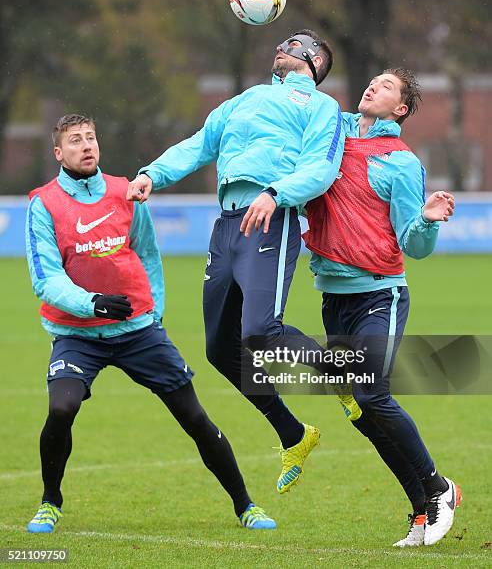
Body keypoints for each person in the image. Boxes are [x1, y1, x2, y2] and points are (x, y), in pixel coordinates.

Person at [24, 114, 277, 533]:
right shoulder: (44, 203)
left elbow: (148, 253)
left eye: (91, 137)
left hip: (138, 331)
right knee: (61, 407)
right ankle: (51, 501)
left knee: (194, 416)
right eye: (74, 141)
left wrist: (153, 311)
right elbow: (45, 278)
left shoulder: (125, 192)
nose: (86, 145)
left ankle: (246, 505)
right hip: (76, 334)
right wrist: (92, 304)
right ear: (58, 152)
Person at [127, 30, 345, 493]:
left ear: (310, 60)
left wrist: (276, 192)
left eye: (291, 45)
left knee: (261, 332)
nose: (279, 49)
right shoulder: (244, 99)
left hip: (272, 216)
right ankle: (294, 433)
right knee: (219, 349)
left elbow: (321, 168)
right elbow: (199, 144)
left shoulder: (321, 108)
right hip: (226, 225)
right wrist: (152, 174)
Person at [304, 68, 461, 547]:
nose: (372, 86)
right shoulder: (329, 137)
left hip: (380, 294)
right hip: (334, 298)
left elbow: (413, 245)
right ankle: (420, 510)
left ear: (401, 110)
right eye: (371, 81)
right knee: (361, 411)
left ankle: (439, 488)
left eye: (387, 87)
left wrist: (429, 220)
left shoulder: (401, 162)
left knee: (371, 394)